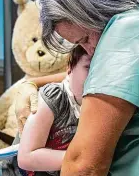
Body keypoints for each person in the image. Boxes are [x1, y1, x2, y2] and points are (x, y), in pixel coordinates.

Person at [15, 0, 139, 176]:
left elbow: (85, 167)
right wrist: (33, 82)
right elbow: (134, 77)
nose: (91, 51)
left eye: (84, 39)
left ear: (89, 9)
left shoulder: (122, 40)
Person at [18, 46, 90, 176]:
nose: (96, 77)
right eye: (89, 67)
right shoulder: (55, 96)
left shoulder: (100, 104)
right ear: (69, 68)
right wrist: (81, 160)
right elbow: (25, 158)